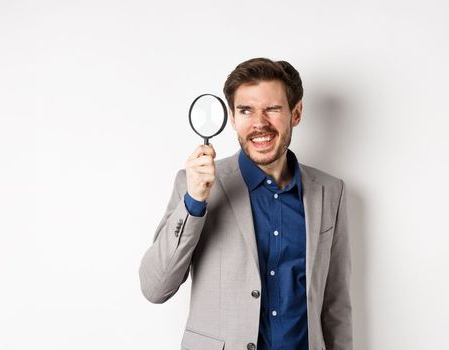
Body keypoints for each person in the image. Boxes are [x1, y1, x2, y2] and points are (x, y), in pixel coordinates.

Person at [139, 58, 352, 350]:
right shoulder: (196, 186)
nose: (259, 123)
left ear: (296, 113)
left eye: (273, 109)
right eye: (246, 110)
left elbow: (336, 304)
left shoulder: (330, 192)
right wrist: (193, 202)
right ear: (233, 117)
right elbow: (155, 288)